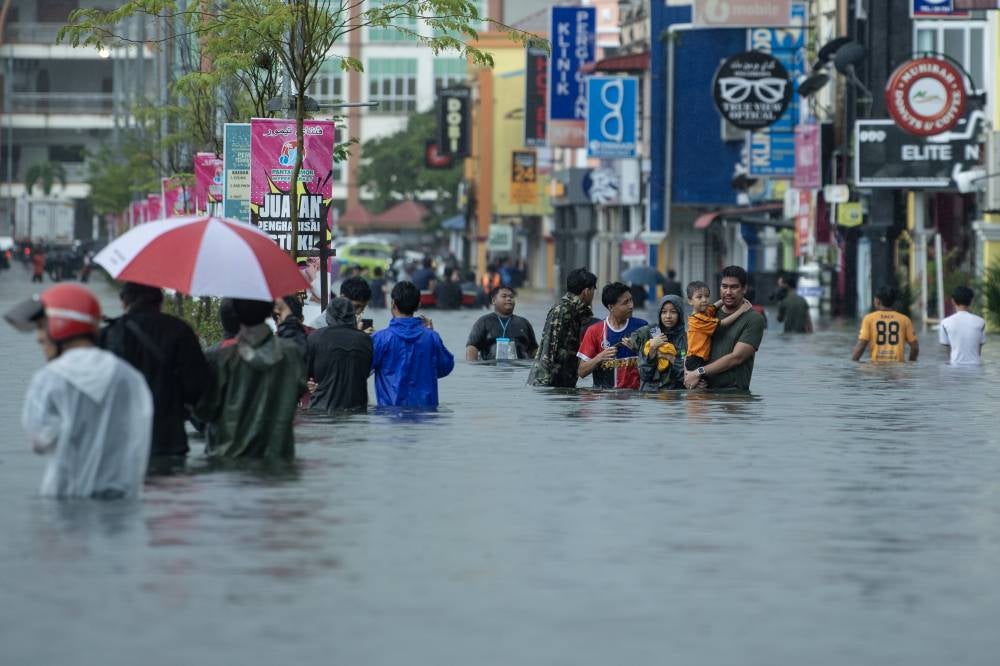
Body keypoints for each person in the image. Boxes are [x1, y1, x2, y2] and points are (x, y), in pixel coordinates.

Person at [5, 283, 153, 498]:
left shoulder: (48, 379)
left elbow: (40, 440)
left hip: (65, 497)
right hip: (122, 498)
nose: (38, 337)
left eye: (40, 327)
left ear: (60, 323)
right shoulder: (129, 377)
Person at [99, 282, 209, 458]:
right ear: (160, 301)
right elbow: (198, 384)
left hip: (120, 437)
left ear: (125, 302)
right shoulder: (180, 330)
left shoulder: (108, 334)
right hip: (168, 436)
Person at [196, 298, 306, 459]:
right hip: (278, 459)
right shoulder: (291, 354)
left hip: (228, 460)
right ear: (270, 311)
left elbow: (204, 411)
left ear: (234, 314)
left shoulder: (219, 357)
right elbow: (299, 390)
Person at [371, 281, 454, 408]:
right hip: (426, 417)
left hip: (389, 416)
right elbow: (445, 368)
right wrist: (432, 334)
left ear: (393, 304)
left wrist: (359, 339)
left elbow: (360, 369)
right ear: (418, 305)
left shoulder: (380, 339)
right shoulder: (431, 337)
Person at [684, 266, 766, 391]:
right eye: (724, 286)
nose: (728, 292)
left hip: (732, 396)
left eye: (734, 287)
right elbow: (688, 349)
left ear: (744, 289)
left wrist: (698, 372)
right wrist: (688, 375)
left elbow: (736, 358)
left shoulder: (753, 319)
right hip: (702, 392)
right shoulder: (706, 314)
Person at [528, 268, 598, 387]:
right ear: (586, 291)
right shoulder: (563, 311)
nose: (593, 294)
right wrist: (546, 382)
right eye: (593, 290)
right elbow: (551, 350)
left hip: (563, 381)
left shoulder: (576, 310)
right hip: (549, 382)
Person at [306, 297, 373, 411]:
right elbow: (365, 372)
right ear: (353, 317)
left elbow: (306, 374)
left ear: (328, 316)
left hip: (321, 410)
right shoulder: (365, 340)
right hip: (357, 410)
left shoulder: (314, 338)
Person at [577, 282, 648, 389]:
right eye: (625, 303)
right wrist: (599, 357)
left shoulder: (642, 327)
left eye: (631, 300)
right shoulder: (594, 331)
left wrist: (639, 350)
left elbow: (657, 362)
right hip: (605, 400)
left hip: (635, 399)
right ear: (611, 307)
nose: (631, 306)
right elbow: (581, 371)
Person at [684, 279, 752, 372]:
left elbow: (714, 307)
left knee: (702, 384)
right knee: (699, 384)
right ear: (690, 301)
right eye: (699, 297)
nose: (704, 300)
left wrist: (725, 299)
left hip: (701, 358)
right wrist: (741, 310)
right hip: (695, 359)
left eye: (707, 296)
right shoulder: (697, 319)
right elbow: (722, 323)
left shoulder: (704, 312)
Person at [627, 295, 687, 391]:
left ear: (680, 314)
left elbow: (686, 376)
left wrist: (669, 357)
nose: (668, 316)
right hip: (651, 395)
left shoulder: (686, 339)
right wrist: (652, 349)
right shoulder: (649, 334)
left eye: (673, 312)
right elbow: (644, 375)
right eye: (664, 312)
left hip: (675, 395)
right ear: (659, 314)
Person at [465, 286, 538, 361]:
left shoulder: (524, 322)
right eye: (504, 296)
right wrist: (472, 365)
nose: (509, 299)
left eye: (511, 297)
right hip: (491, 367)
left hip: (519, 368)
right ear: (494, 300)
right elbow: (472, 347)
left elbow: (533, 350)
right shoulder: (483, 321)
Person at [852, 285, 919, 363]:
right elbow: (915, 347)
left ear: (877, 301)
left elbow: (861, 345)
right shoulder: (905, 320)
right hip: (898, 370)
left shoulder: (869, 319)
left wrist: (853, 364)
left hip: (876, 368)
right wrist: (911, 364)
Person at [939, 286, 986, 365]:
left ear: (953, 301)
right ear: (971, 301)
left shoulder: (945, 323)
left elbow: (948, 352)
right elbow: (978, 351)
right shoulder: (981, 322)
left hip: (955, 368)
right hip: (975, 368)